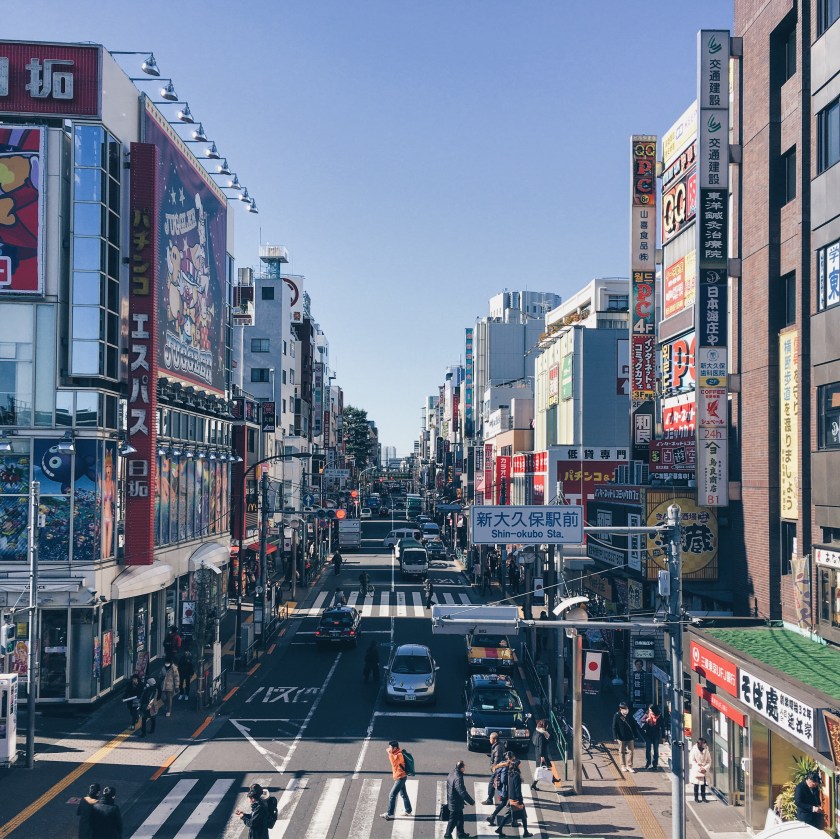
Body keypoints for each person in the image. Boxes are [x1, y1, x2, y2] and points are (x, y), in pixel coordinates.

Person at [494, 759, 533, 837]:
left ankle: (500, 828)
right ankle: (525, 832)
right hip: (516, 799)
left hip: (511, 797)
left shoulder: (510, 773)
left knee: (508, 814)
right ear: (517, 766)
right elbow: (517, 789)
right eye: (519, 764)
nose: (520, 765)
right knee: (523, 816)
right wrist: (520, 800)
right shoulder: (517, 775)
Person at [380, 740, 412, 820]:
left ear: (395, 748)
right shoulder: (395, 753)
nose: (389, 748)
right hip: (400, 776)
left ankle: (390, 814)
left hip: (400, 777)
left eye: (390, 747)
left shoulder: (399, 755)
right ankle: (408, 810)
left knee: (392, 795)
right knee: (403, 794)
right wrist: (390, 752)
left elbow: (393, 762)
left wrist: (390, 753)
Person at [444, 759, 475, 839]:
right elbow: (462, 792)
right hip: (455, 802)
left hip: (453, 799)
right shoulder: (458, 778)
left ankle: (461, 833)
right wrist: (471, 801)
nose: (465, 768)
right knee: (453, 820)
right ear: (461, 768)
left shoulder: (452, 773)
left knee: (460, 819)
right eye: (464, 766)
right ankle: (447, 835)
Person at [612, 701, 639, 772]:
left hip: (630, 736)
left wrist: (636, 735)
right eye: (625, 709)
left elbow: (634, 726)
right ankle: (623, 765)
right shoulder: (617, 715)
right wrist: (615, 737)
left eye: (627, 708)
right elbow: (614, 727)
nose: (626, 710)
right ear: (621, 709)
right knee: (621, 751)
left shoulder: (630, 715)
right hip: (621, 737)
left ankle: (629, 766)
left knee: (631, 751)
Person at [530, 718, 553, 791]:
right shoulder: (542, 735)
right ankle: (533, 784)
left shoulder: (537, 731)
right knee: (542, 770)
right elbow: (541, 746)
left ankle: (553, 779)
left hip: (538, 754)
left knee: (543, 768)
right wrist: (542, 756)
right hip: (541, 754)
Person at [641, 704, 666, 770]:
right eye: (649, 710)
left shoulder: (660, 716)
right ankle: (648, 763)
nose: (650, 711)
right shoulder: (647, 714)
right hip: (648, 734)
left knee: (656, 750)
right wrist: (646, 720)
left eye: (651, 710)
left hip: (656, 735)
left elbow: (663, 727)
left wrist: (663, 736)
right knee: (648, 749)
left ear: (654, 710)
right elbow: (641, 720)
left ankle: (655, 764)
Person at [481, 732, 503, 805]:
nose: (489, 740)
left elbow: (497, 760)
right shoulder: (497, 745)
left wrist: (493, 768)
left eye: (490, 738)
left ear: (494, 739)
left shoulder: (497, 748)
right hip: (500, 769)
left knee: (492, 783)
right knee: (499, 784)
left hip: (497, 769)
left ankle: (490, 799)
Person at [688, 738, 713, 802]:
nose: (705, 745)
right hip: (696, 770)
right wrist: (699, 768)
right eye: (704, 744)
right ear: (700, 744)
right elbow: (692, 760)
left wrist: (705, 768)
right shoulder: (694, 750)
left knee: (703, 784)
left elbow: (709, 760)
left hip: (704, 770)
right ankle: (696, 798)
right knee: (696, 784)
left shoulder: (706, 750)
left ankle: (703, 797)